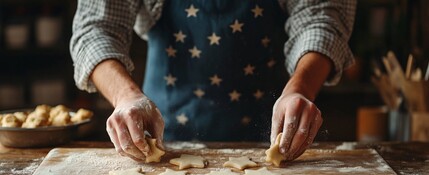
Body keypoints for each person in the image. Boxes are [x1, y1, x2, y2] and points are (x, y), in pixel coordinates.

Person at [70, 0, 356, 161]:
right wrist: (125, 96)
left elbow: (322, 20)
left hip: (274, 141)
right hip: (161, 142)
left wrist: (300, 88)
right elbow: (95, 28)